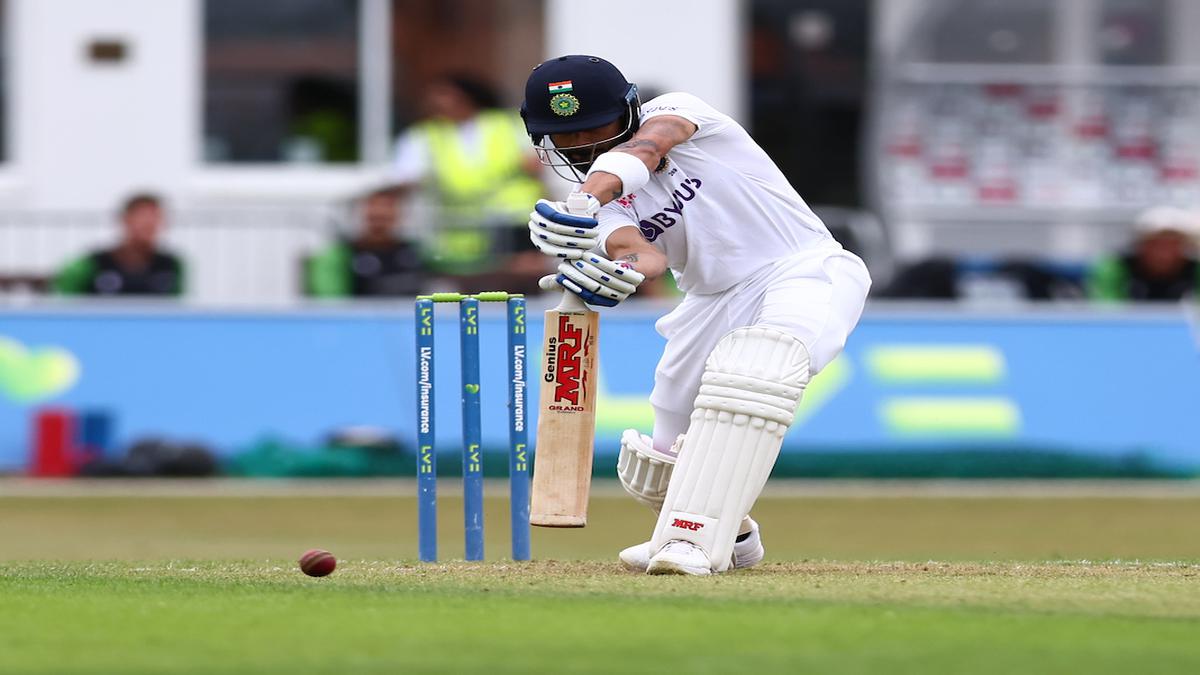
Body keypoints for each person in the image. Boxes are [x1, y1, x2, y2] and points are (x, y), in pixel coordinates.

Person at [521, 55, 871, 575]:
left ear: (630, 109)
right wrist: (615, 275)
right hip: (709, 301)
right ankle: (734, 536)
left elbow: (650, 144)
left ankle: (691, 537)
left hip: (803, 268)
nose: (581, 147)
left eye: (595, 130)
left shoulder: (680, 114)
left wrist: (587, 196)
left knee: (758, 369)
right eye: (565, 138)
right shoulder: (593, 205)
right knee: (658, 463)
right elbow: (642, 253)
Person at [390, 74, 548, 288]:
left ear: (466, 96)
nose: (435, 102)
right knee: (470, 290)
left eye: (443, 94)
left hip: (516, 225)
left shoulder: (508, 124)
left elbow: (537, 166)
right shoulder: (424, 136)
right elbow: (405, 178)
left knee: (521, 286)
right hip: (461, 233)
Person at [54, 193, 185, 296]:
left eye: (155, 217)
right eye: (142, 217)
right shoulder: (90, 263)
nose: (149, 223)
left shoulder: (172, 265)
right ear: (124, 220)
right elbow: (65, 303)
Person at [307, 187, 425, 297]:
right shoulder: (339, 256)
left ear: (400, 217)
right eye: (373, 218)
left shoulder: (418, 252)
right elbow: (329, 304)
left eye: (386, 219)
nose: (379, 226)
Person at [1087, 206, 1200, 302]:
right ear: (1141, 245)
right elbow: (1105, 311)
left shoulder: (1195, 270)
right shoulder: (1115, 268)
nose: (1164, 251)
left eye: (1173, 243)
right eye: (1156, 243)